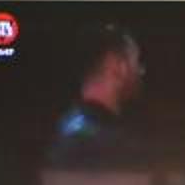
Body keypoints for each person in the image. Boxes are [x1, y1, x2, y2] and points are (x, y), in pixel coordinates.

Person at [46, 26, 144, 166]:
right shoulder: (113, 146)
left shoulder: (63, 129)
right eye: (137, 61)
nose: (140, 71)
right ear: (117, 66)